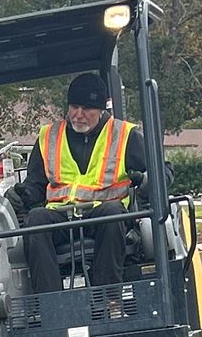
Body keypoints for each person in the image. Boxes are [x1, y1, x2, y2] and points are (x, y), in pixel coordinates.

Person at [16, 71, 148, 293]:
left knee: (114, 213)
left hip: (101, 215)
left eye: (87, 108)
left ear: (101, 109)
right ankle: (51, 305)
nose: (78, 114)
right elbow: (36, 185)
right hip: (60, 216)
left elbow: (162, 170)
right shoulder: (48, 136)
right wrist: (24, 194)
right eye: (74, 106)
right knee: (35, 219)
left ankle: (108, 298)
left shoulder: (125, 135)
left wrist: (144, 180)